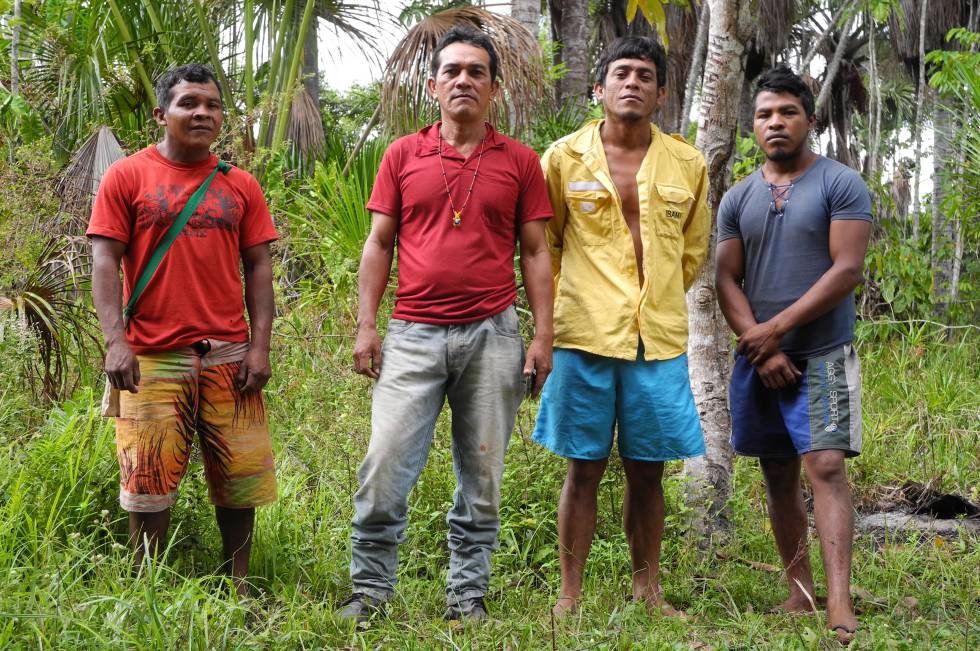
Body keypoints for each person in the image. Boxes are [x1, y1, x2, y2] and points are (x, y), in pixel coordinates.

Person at [338, 25, 554, 623]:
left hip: (493, 335)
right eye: (452, 71)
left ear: (493, 88)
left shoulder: (520, 162)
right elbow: (379, 243)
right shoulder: (403, 154)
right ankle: (370, 592)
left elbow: (536, 253)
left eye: (476, 72)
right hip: (412, 335)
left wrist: (542, 335)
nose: (463, 80)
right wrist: (366, 325)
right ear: (433, 85)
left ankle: (468, 597)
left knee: (482, 474)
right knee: (384, 465)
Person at [533, 36, 709, 617]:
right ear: (599, 88)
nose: (632, 82)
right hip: (582, 335)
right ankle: (569, 596)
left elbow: (692, 253)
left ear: (661, 92)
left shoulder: (687, 163)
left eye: (644, 75)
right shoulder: (562, 158)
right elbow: (545, 246)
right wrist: (565, 313)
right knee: (582, 469)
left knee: (647, 472)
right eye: (621, 73)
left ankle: (648, 591)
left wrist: (652, 300)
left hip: (655, 341)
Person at [88, 64, 278, 595]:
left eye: (213, 105)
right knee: (146, 480)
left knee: (239, 479)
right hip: (149, 354)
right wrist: (115, 343)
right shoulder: (127, 176)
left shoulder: (239, 185)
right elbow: (105, 261)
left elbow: (259, 267)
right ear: (161, 114)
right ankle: (146, 590)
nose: (202, 113)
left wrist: (258, 349)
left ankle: (238, 585)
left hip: (229, 355)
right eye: (189, 103)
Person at [715, 66, 872, 646]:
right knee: (777, 472)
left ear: (811, 118)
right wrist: (759, 350)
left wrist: (774, 331)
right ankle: (798, 590)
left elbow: (846, 270)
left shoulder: (840, 184)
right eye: (764, 114)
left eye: (787, 112)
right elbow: (725, 278)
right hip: (760, 360)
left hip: (822, 352)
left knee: (825, 467)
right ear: (752, 125)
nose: (775, 123)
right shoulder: (739, 196)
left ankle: (838, 601)